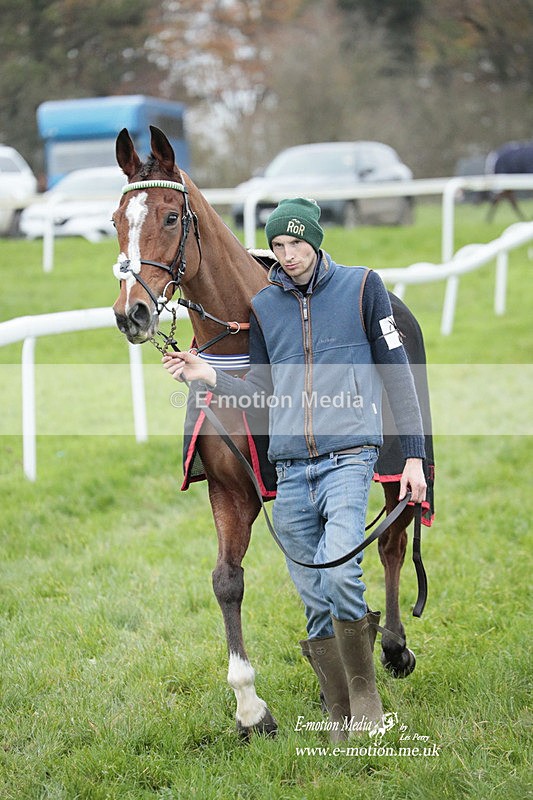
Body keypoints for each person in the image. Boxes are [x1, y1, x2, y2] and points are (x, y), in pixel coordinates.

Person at [163, 198, 426, 740]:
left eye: (296, 244)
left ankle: (365, 697)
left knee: (337, 573)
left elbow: (399, 374)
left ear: (317, 241)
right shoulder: (266, 307)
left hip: (349, 457)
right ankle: (338, 714)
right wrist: (205, 374)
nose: (287, 256)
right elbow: (262, 390)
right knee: (310, 592)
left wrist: (416, 458)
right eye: (278, 246)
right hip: (292, 468)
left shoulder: (361, 286)